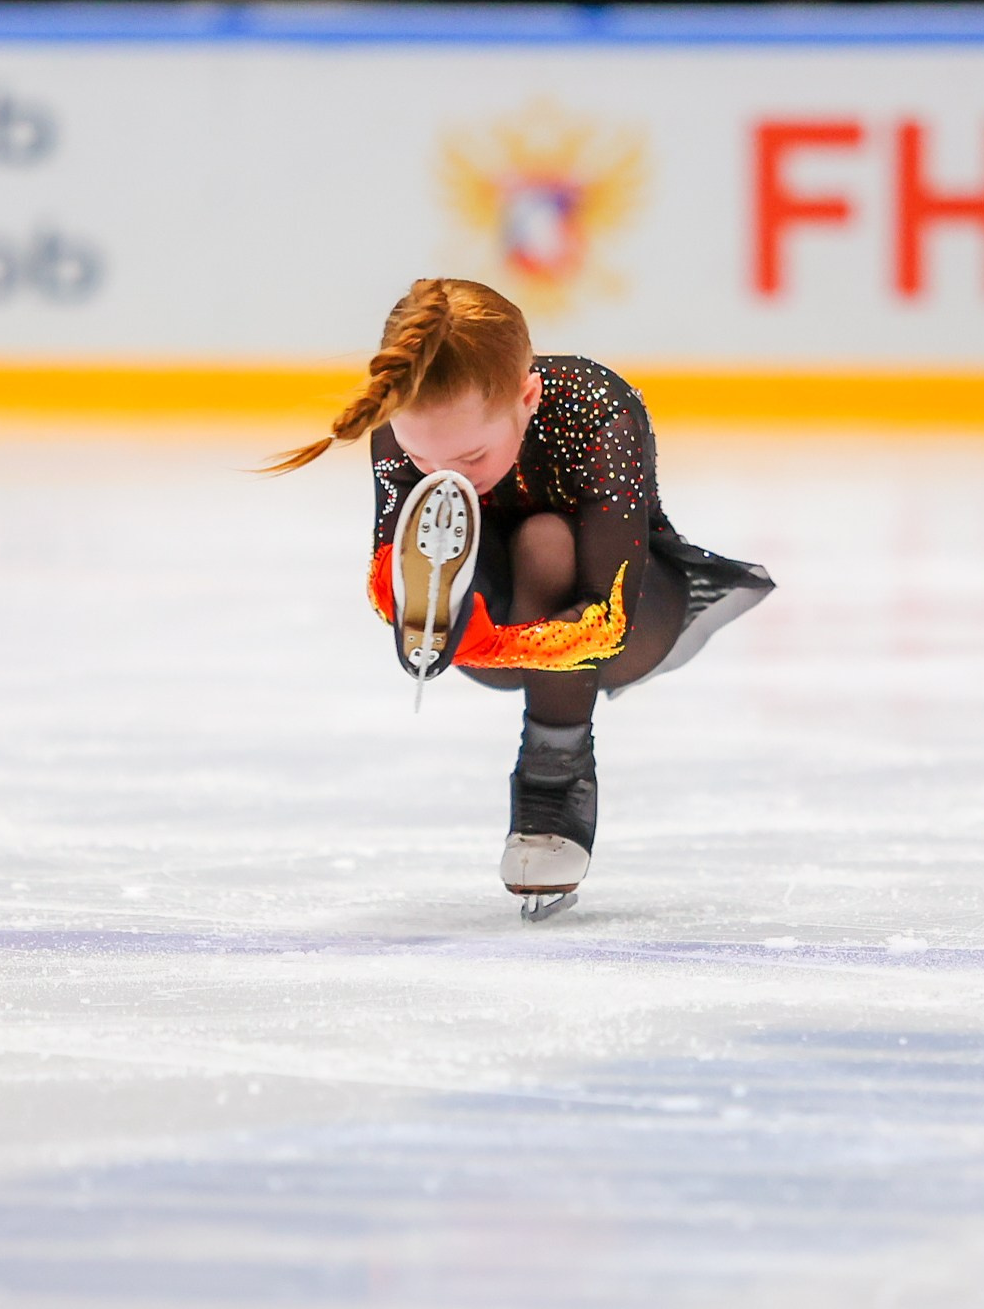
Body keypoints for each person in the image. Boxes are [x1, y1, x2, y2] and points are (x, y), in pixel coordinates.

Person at [269, 277, 773, 917]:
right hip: (491, 612)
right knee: (498, 544)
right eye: (423, 457)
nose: (447, 474)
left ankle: (554, 766)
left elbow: (606, 618)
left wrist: (495, 643)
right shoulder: (397, 428)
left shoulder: (598, 408)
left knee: (545, 540)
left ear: (528, 395)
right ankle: (464, 610)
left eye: (472, 454)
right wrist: (428, 623)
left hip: (622, 616)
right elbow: (390, 572)